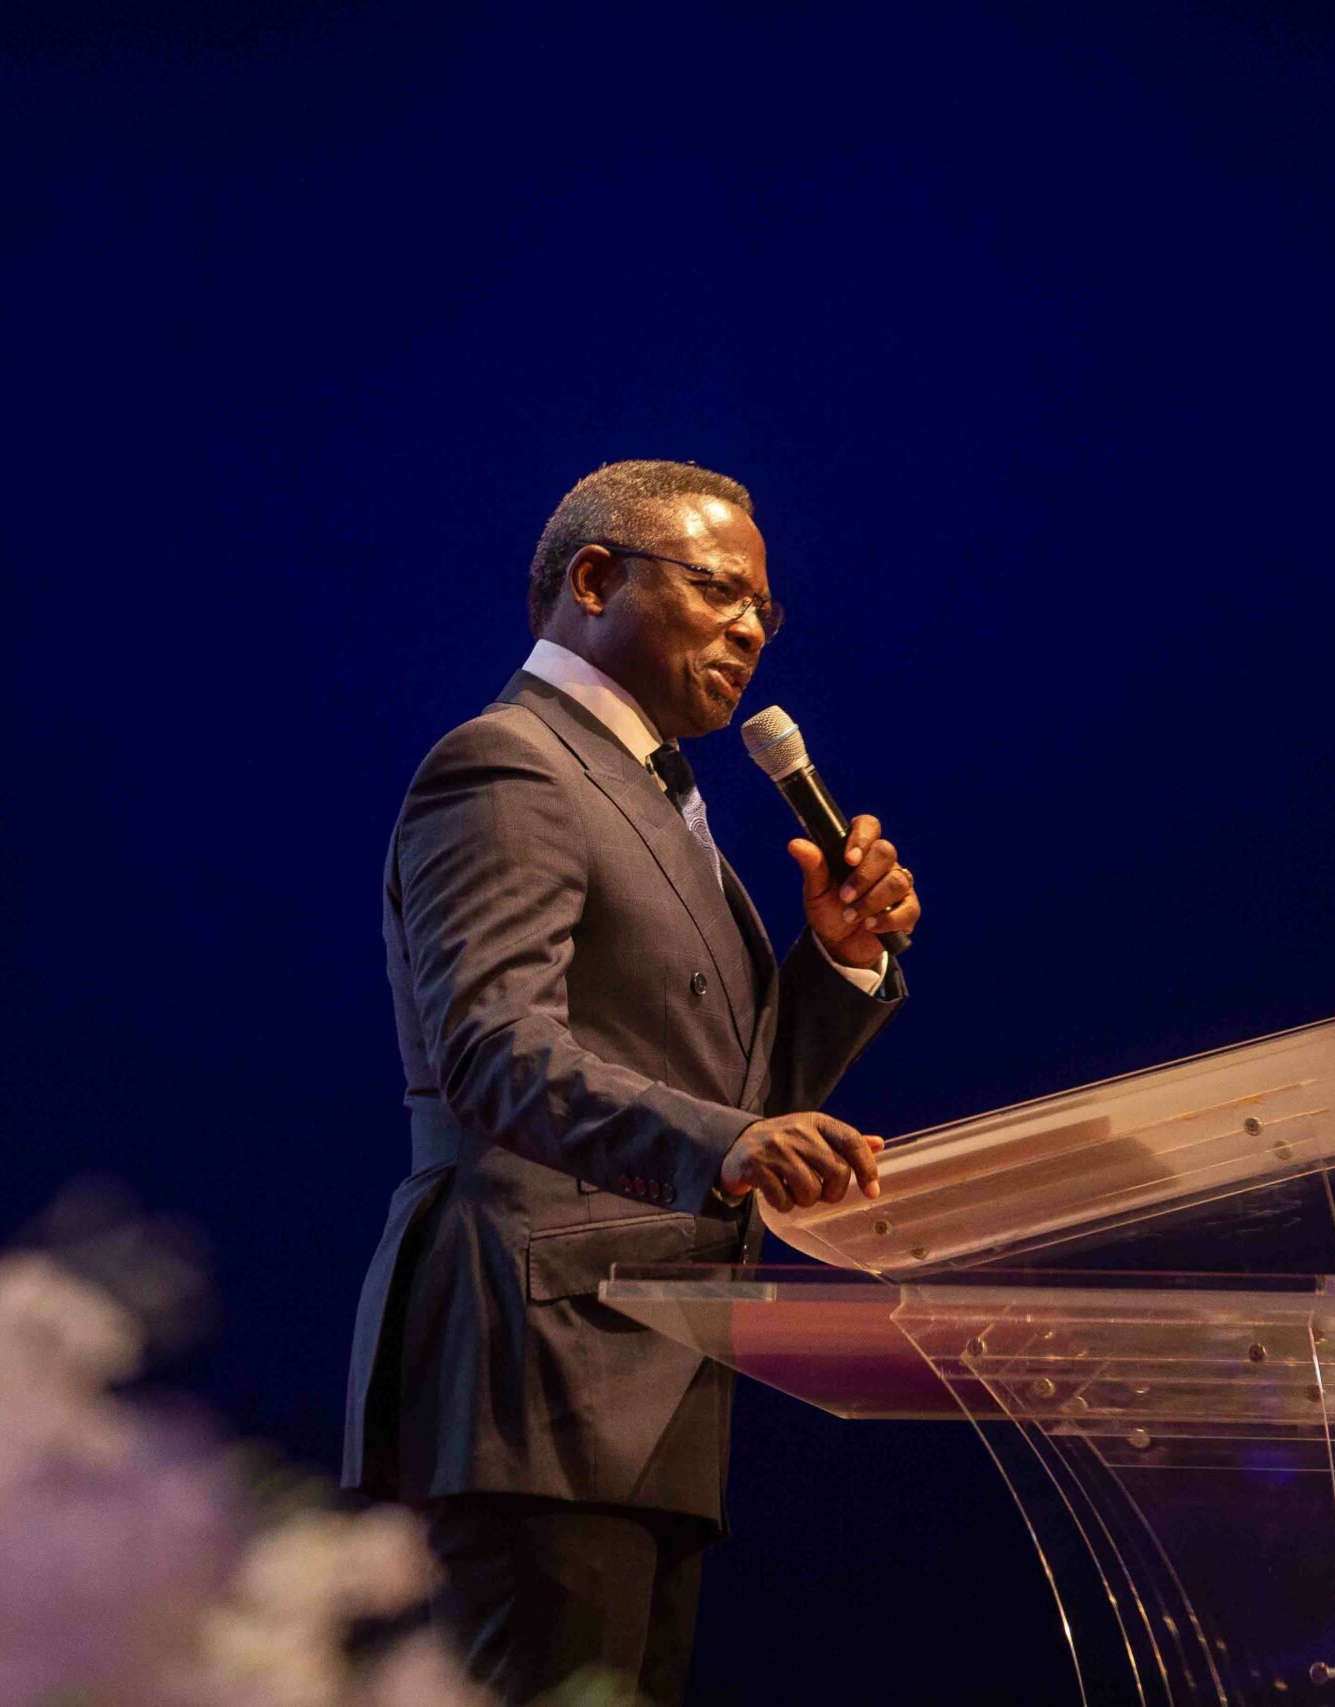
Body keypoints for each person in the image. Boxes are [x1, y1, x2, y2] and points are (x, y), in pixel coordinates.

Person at [342, 460, 920, 1704]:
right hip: (534, 1371)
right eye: (722, 590)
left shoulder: (662, 801)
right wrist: (724, 1142)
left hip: (646, 1377)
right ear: (594, 579)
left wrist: (836, 964)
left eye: (767, 608)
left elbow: (733, 1094)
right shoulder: (506, 765)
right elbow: (489, 1049)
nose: (755, 628)